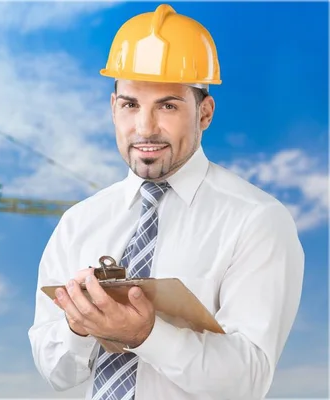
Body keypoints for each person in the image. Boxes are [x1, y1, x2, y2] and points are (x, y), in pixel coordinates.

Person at [27, 4, 304, 400]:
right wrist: (80, 326)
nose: (145, 127)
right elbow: (56, 374)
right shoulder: (78, 222)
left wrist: (145, 334)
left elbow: (249, 379)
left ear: (204, 112)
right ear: (113, 108)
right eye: (131, 104)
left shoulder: (257, 221)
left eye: (168, 105)